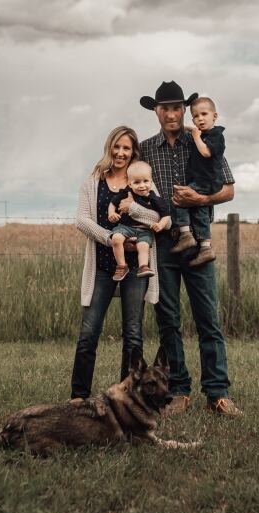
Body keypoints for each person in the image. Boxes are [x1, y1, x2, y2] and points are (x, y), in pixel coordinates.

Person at [135, 80, 242, 416]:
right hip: (162, 244)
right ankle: (179, 391)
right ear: (156, 111)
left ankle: (218, 393)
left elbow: (229, 189)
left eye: (176, 107)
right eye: (164, 108)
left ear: (184, 109)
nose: (171, 114)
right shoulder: (146, 149)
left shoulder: (203, 137)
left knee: (208, 318)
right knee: (168, 320)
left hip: (198, 242)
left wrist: (202, 198)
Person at [71, 126, 170, 401]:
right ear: (109, 147)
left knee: (133, 335)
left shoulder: (141, 179)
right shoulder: (94, 181)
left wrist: (132, 208)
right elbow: (82, 219)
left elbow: (162, 217)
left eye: (126, 148)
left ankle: (125, 397)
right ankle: (79, 397)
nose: (120, 153)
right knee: (88, 334)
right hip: (103, 267)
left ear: (133, 152)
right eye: (117, 146)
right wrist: (109, 238)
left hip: (137, 270)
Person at [170, 96, 226, 267]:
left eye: (204, 114)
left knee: (180, 197)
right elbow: (193, 130)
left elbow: (206, 153)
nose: (200, 119)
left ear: (214, 116)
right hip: (204, 181)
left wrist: (195, 135)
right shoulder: (202, 132)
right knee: (200, 212)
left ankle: (186, 235)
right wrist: (182, 128)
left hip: (207, 181)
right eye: (195, 116)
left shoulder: (216, 135)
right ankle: (205, 248)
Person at [108, 161, 172, 281]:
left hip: (144, 231)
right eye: (137, 182)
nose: (142, 185)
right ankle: (122, 266)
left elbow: (166, 215)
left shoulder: (154, 199)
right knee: (116, 239)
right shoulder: (126, 193)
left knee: (143, 246)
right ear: (129, 183)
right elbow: (113, 203)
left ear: (151, 181)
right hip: (125, 227)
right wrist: (111, 213)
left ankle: (143, 267)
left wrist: (160, 224)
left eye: (146, 181)